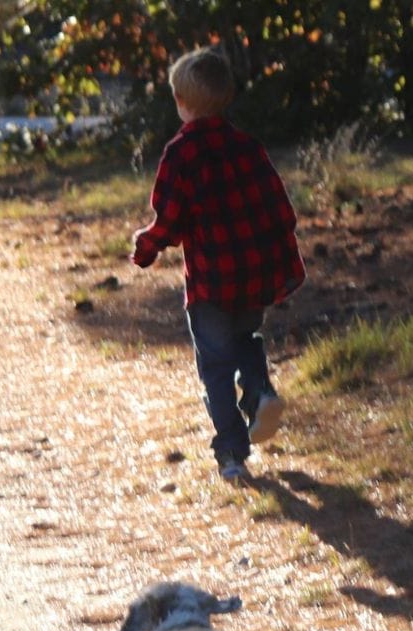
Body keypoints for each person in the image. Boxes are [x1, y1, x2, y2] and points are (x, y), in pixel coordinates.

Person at [131, 47, 306, 483]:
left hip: (210, 282)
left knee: (214, 366)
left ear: (181, 101)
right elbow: (282, 210)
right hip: (253, 276)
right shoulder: (248, 147)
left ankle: (231, 453)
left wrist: (146, 247)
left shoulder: (180, 154)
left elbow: (170, 221)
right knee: (245, 336)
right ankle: (261, 390)